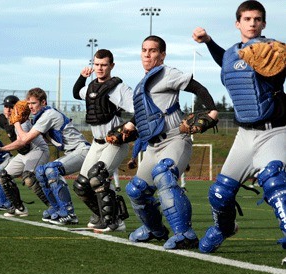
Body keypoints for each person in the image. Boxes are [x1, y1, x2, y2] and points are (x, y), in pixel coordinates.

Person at [192, 0, 286, 253]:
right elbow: (226, 62)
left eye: (257, 19)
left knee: (276, 185)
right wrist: (209, 41)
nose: (252, 23)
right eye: (247, 19)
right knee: (220, 194)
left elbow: (278, 70)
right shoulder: (233, 53)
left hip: (274, 130)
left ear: (263, 23)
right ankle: (224, 228)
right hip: (244, 135)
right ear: (238, 23)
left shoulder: (274, 50)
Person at [122, 35, 218, 249]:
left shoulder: (168, 73)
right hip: (153, 145)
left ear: (162, 55)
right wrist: (131, 124)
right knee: (136, 190)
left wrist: (212, 109)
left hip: (176, 138)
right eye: (144, 50)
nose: (147, 54)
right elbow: (148, 111)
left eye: (153, 50)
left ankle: (185, 234)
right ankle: (154, 229)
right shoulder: (142, 84)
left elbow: (197, 88)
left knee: (164, 176)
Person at [0, 88, 91, 224]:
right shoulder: (41, 116)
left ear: (43, 102)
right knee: (41, 172)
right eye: (29, 103)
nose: (30, 106)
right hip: (72, 151)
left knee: (51, 169)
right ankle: (57, 209)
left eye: (34, 103)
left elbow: (24, 140)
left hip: (82, 150)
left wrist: (16, 122)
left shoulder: (48, 115)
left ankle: (69, 213)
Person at [72, 49, 134, 232]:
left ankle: (113, 222)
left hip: (114, 143)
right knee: (81, 185)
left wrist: (129, 126)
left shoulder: (118, 88)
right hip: (96, 143)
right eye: (97, 64)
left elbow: (138, 109)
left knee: (97, 177)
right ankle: (102, 215)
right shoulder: (91, 87)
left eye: (104, 65)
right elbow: (77, 93)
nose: (99, 68)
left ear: (111, 66)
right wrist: (82, 77)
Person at [0, 95, 50, 217]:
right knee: (3, 176)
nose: (8, 110)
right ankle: (19, 208)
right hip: (23, 154)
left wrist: (1, 148)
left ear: (17, 108)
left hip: (37, 150)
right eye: (6, 106)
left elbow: (22, 142)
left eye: (11, 107)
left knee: (29, 178)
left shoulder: (22, 122)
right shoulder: (5, 118)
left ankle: (53, 207)